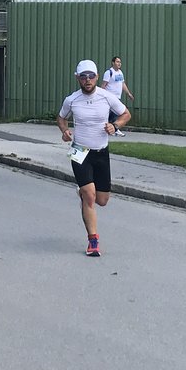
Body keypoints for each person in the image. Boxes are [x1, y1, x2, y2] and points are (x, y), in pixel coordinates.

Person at [57, 59, 130, 258]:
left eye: (91, 76)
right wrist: (64, 131)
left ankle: (83, 193)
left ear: (97, 77)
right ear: (77, 78)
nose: (87, 80)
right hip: (79, 151)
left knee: (102, 200)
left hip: (101, 152)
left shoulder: (106, 97)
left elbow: (125, 114)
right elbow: (61, 117)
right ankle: (93, 241)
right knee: (89, 195)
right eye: (83, 77)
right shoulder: (72, 100)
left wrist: (115, 126)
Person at [101, 55, 134, 136]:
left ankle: (112, 128)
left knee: (113, 114)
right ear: (113, 63)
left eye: (120, 62)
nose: (119, 64)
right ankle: (114, 129)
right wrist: (101, 96)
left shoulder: (120, 72)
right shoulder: (109, 72)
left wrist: (128, 93)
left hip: (117, 97)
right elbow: (103, 85)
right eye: (117, 62)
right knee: (114, 113)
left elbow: (122, 84)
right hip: (109, 97)